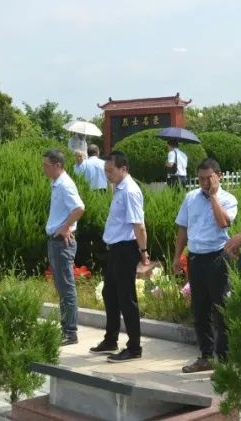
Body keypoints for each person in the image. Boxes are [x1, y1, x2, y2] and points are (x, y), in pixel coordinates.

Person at [173, 158, 238, 373]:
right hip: (196, 257)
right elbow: (183, 229)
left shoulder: (228, 199)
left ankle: (225, 359)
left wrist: (213, 196)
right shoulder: (190, 197)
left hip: (217, 257)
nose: (204, 182)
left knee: (221, 309)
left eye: (208, 178)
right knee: (200, 310)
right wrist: (177, 256)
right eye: (200, 178)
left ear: (219, 176)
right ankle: (206, 356)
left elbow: (223, 223)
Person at [91, 151, 149, 363]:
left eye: (111, 170)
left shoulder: (130, 191)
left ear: (123, 169)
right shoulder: (119, 187)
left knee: (126, 298)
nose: (107, 174)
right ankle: (111, 339)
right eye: (105, 171)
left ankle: (134, 347)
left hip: (126, 249)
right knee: (109, 293)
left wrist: (143, 251)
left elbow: (139, 225)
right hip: (115, 249)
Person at [44, 149, 86, 346]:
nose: (44, 169)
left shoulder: (65, 185)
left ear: (58, 165)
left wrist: (66, 227)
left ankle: (70, 331)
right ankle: (65, 328)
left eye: (46, 165)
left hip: (62, 242)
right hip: (56, 241)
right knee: (61, 287)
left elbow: (79, 208)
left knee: (66, 288)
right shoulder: (56, 183)